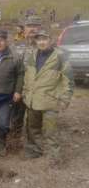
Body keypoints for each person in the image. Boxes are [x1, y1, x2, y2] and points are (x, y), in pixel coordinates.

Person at [23, 30, 73, 164]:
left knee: (50, 131)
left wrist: (65, 98)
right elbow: (27, 76)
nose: (42, 42)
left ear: (51, 40)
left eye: (44, 39)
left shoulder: (60, 57)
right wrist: (25, 94)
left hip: (51, 100)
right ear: (36, 41)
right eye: (39, 40)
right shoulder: (32, 56)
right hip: (33, 100)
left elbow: (68, 79)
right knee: (33, 129)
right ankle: (35, 150)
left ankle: (54, 156)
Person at [10, 16, 42, 141]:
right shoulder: (15, 44)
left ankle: (33, 142)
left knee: (34, 117)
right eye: (29, 26)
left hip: (36, 88)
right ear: (24, 29)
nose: (32, 29)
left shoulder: (45, 45)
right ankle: (14, 140)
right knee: (16, 115)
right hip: (18, 87)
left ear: (40, 28)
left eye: (35, 26)